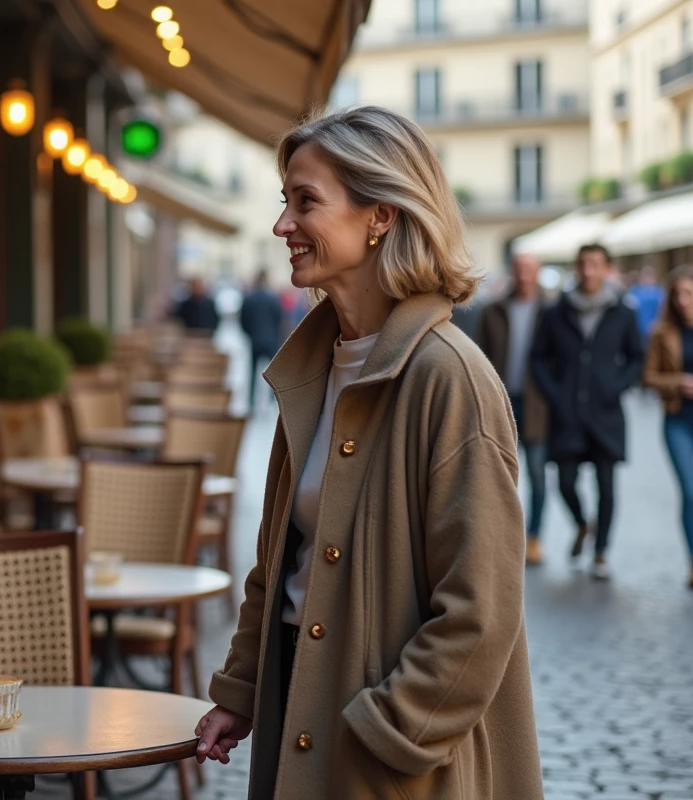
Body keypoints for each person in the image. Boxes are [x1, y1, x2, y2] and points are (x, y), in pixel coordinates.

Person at [193, 106, 542, 799]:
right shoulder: (311, 369)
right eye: (285, 201)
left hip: (391, 755)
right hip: (297, 701)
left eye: (306, 202)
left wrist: (390, 731)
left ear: (379, 215)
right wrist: (242, 688)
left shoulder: (449, 378)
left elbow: (481, 611)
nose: (282, 225)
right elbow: (278, 562)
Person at [530, 244, 644, 581]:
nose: (588, 270)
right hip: (567, 414)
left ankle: (601, 552)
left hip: (606, 413)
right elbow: (538, 357)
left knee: (606, 486)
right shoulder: (556, 312)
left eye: (595, 264)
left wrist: (616, 386)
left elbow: (637, 357)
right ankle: (582, 524)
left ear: (606, 269)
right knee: (565, 482)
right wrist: (555, 393)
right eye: (583, 264)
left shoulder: (622, 312)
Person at [476, 253, 550, 564]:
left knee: (537, 474)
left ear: (538, 272)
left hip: (538, 405)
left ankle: (534, 537)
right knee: (500, 474)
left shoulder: (551, 311)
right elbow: (478, 357)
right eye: (519, 269)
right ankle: (502, 537)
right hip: (501, 401)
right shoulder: (493, 310)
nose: (523, 275)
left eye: (529, 269)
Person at [643, 265, 693, 589]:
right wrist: (676, 382)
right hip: (678, 421)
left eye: (689, 293)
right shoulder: (662, 332)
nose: (683, 300)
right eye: (677, 294)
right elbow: (648, 376)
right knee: (691, 492)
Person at [239, 270, 286, 410]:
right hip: (271, 340)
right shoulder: (273, 299)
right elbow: (279, 319)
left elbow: (243, 321)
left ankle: (251, 400)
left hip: (255, 340)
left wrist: (250, 334)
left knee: (253, 372)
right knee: (273, 373)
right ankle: (272, 399)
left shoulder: (249, 298)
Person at [629, 264, 665, 346]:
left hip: (654, 329)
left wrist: (657, 323)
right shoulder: (634, 291)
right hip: (637, 328)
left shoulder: (659, 292)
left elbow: (663, 309)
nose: (648, 279)